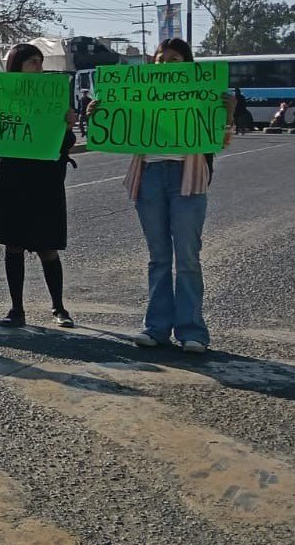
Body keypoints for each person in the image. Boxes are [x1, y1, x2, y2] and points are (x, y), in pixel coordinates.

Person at [90, 38, 232, 353]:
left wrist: (228, 113)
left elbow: (220, 141)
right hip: (149, 177)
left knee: (187, 257)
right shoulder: (142, 93)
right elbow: (114, 127)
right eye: (160, 59)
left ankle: (192, 331)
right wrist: (100, 112)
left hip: (188, 178)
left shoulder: (202, 95)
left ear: (187, 63)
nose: (166, 64)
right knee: (158, 258)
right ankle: (155, 328)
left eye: (174, 58)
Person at [0, 44, 78, 328]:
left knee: (48, 248)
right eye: (32, 62)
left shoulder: (52, 97)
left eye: (40, 61)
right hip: (14, 179)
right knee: (14, 246)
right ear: (16, 66)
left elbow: (64, 144)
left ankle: (59, 308)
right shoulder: (3, 97)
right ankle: (16, 309)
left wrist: (68, 125)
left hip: (45, 180)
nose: (38, 67)